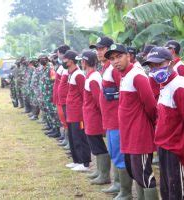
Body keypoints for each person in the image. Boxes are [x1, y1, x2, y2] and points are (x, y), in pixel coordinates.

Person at [105, 43, 159, 200]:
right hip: (128, 134)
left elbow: (151, 106)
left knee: (144, 174)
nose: (116, 61)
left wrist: (145, 127)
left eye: (119, 56)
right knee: (135, 172)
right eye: (112, 58)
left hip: (139, 135)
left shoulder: (138, 76)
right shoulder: (124, 75)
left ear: (128, 56)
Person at [143, 47, 184, 200]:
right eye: (151, 66)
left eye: (159, 64)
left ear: (171, 63)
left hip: (177, 149)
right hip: (164, 146)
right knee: (167, 190)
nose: (154, 69)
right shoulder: (164, 85)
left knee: (180, 192)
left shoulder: (179, 86)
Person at [92, 36, 124, 195]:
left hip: (117, 120)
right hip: (109, 119)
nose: (98, 52)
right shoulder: (105, 68)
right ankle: (118, 184)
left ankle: (122, 188)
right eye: (97, 49)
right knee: (113, 152)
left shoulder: (113, 69)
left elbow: (123, 92)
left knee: (119, 154)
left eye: (102, 48)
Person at [80, 50, 111, 185]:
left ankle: (104, 175)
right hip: (90, 116)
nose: (81, 63)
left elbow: (99, 101)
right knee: (94, 144)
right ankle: (99, 171)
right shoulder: (91, 76)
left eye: (81, 61)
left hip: (94, 118)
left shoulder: (93, 78)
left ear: (85, 62)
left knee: (98, 145)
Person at [63, 50, 91, 172]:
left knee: (80, 137)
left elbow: (83, 94)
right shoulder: (71, 73)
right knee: (73, 137)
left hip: (78, 113)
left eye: (65, 59)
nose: (63, 62)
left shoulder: (79, 75)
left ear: (71, 60)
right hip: (71, 112)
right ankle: (76, 160)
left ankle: (84, 162)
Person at [40, 55, 61, 138]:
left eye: (43, 59)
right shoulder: (44, 68)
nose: (41, 61)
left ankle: (57, 130)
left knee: (53, 112)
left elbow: (53, 81)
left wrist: (53, 94)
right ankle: (52, 128)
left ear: (47, 60)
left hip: (50, 94)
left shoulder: (50, 68)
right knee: (49, 112)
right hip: (46, 94)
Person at [57, 45, 71, 149]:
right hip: (61, 99)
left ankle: (69, 141)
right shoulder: (63, 67)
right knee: (63, 120)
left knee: (67, 121)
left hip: (66, 101)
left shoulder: (72, 71)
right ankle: (66, 139)